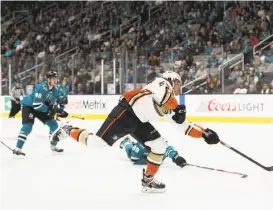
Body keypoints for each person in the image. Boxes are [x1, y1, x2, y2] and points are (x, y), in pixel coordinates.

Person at [51, 71, 220, 193]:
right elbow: (163, 95)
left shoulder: (171, 103)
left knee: (159, 146)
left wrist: (205, 134)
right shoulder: (161, 83)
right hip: (127, 111)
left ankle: (148, 181)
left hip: (140, 122)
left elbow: (184, 126)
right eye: (178, 84)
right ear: (170, 79)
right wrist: (177, 107)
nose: (178, 89)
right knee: (96, 143)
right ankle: (68, 129)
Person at [13, 71, 69, 156]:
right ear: (48, 79)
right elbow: (36, 105)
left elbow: (55, 102)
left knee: (54, 125)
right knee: (28, 126)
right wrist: (50, 110)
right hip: (29, 106)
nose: (55, 80)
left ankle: (53, 146)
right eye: (53, 78)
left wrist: (60, 110)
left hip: (41, 108)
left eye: (56, 78)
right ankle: (18, 148)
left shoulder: (56, 89)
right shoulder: (41, 88)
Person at [119, 136, 187, 168]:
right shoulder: (140, 149)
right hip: (138, 156)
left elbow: (167, 148)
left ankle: (127, 143)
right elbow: (134, 160)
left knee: (160, 155)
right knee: (130, 153)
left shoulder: (156, 142)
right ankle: (126, 143)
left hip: (143, 150)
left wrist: (176, 157)